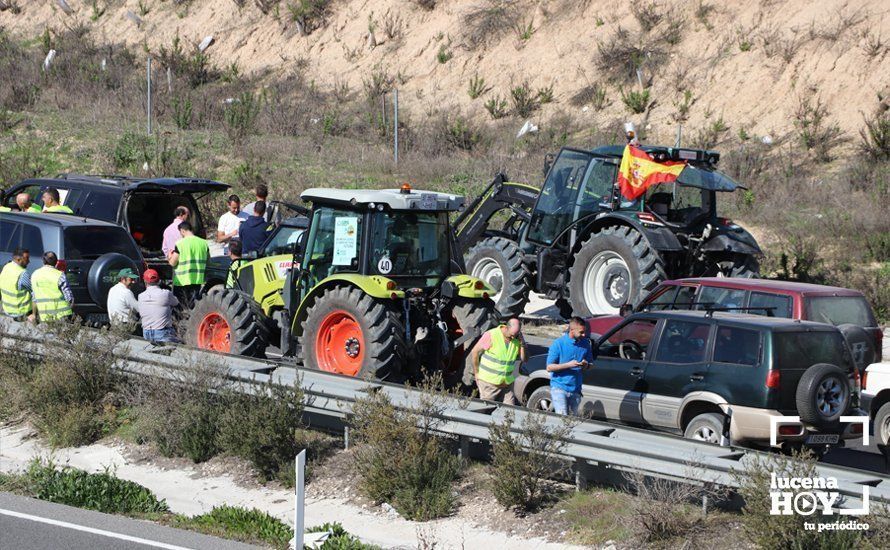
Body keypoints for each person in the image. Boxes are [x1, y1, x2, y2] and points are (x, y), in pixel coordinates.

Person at [470, 317, 527, 404]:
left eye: (515, 335)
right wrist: (476, 373)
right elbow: (475, 352)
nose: (513, 337)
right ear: (506, 327)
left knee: (509, 412)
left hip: (507, 384)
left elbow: (523, 359)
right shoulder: (491, 335)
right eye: (512, 335)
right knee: (486, 412)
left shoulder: (517, 339)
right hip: (489, 384)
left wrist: (522, 344)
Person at [546, 316, 595, 416]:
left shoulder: (585, 344)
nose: (584, 334)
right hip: (559, 388)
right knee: (562, 418)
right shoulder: (559, 343)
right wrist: (568, 365)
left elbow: (591, 364)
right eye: (581, 332)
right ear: (572, 330)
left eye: (584, 332)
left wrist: (586, 365)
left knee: (572, 422)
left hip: (576, 390)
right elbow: (549, 367)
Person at [168, 220, 209, 307]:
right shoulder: (204, 243)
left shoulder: (180, 243)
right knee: (193, 307)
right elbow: (208, 260)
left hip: (182, 281)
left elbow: (173, 263)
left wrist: (169, 256)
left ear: (182, 230)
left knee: (181, 308)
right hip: (197, 280)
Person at [137, 269, 180, 343]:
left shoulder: (140, 296)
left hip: (146, 333)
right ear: (159, 281)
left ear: (145, 282)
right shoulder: (166, 294)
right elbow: (176, 302)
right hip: (162, 333)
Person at [31, 251, 74, 322]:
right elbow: (69, 298)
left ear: (43, 261)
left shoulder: (34, 274)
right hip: (62, 315)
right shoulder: (60, 275)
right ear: (56, 262)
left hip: (44, 316)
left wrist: (34, 314)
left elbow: (34, 298)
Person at [0, 248, 35, 322]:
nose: (29, 261)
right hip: (21, 312)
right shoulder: (22, 274)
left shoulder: (6, 267)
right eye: (26, 258)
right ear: (18, 259)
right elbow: (34, 291)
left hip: (7, 309)